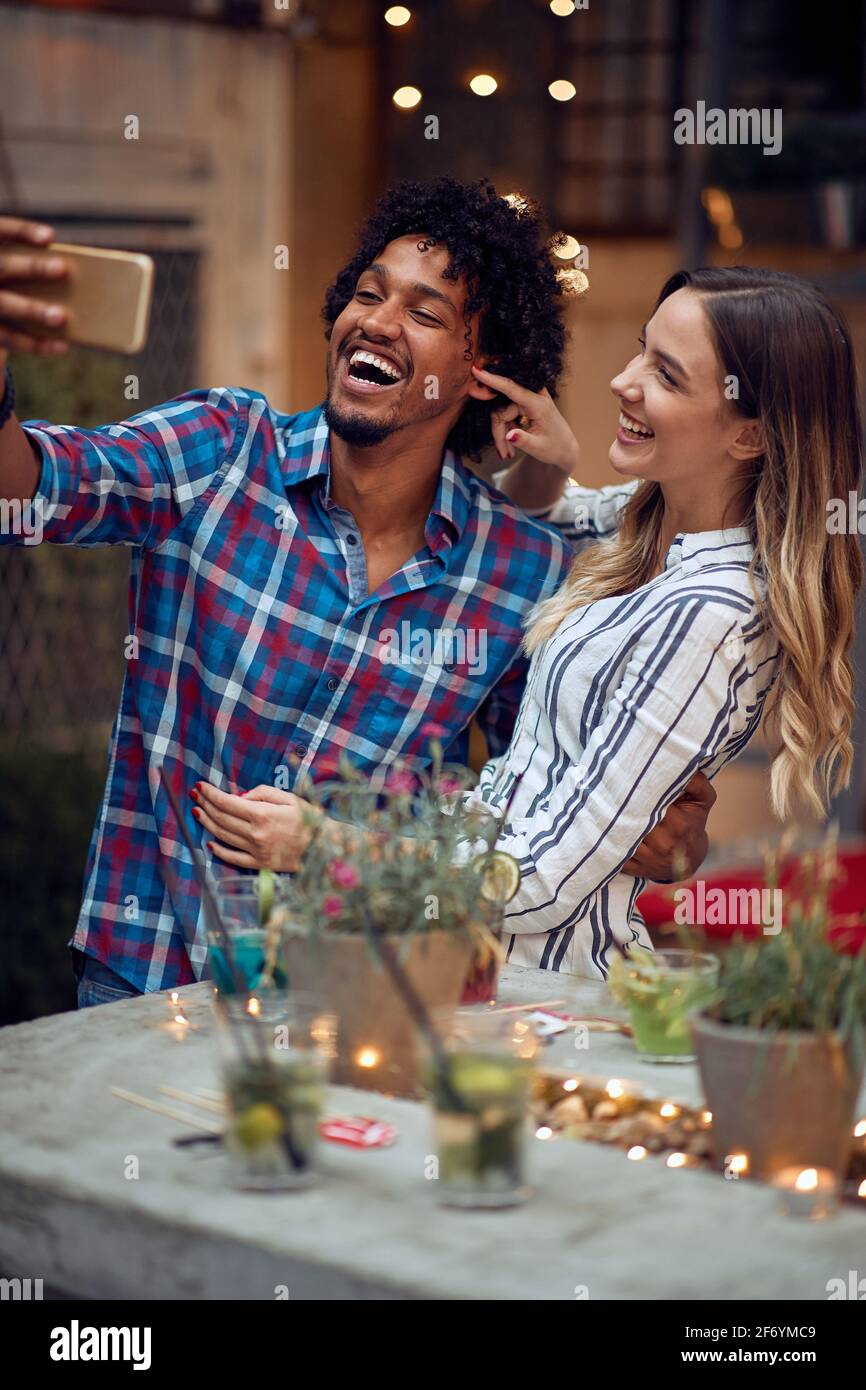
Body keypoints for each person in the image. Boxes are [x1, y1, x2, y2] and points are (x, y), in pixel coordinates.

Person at [0, 183, 712, 1006]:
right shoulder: (222, 453)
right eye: (367, 294)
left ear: (482, 377)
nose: (375, 320)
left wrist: (658, 832)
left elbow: (542, 798)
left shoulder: (519, 571)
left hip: (360, 997)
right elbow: (30, 490)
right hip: (144, 975)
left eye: (425, 312)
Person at [206, 266, 862, 979]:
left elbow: (540, 882)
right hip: (492, 980)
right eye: (643, 349)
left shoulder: (711, 612)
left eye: (667, 377)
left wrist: (324, 846)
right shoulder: (653, 536)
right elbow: (546, 522)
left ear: (750, 436)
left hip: (548, 995)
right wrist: (550, 469)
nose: (624, 381)